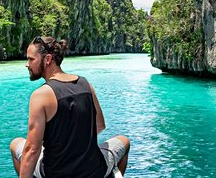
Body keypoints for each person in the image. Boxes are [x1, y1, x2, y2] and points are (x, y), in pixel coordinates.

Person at [10, 36, 130, 178]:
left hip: (55, 173)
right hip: (93, 171)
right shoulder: (86, 85)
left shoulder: (40, 95)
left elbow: (32, 149)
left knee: (15, 144)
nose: (27, 64)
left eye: (31, 59)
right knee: (124, 141)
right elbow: (100, 126)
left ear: (47, 59)